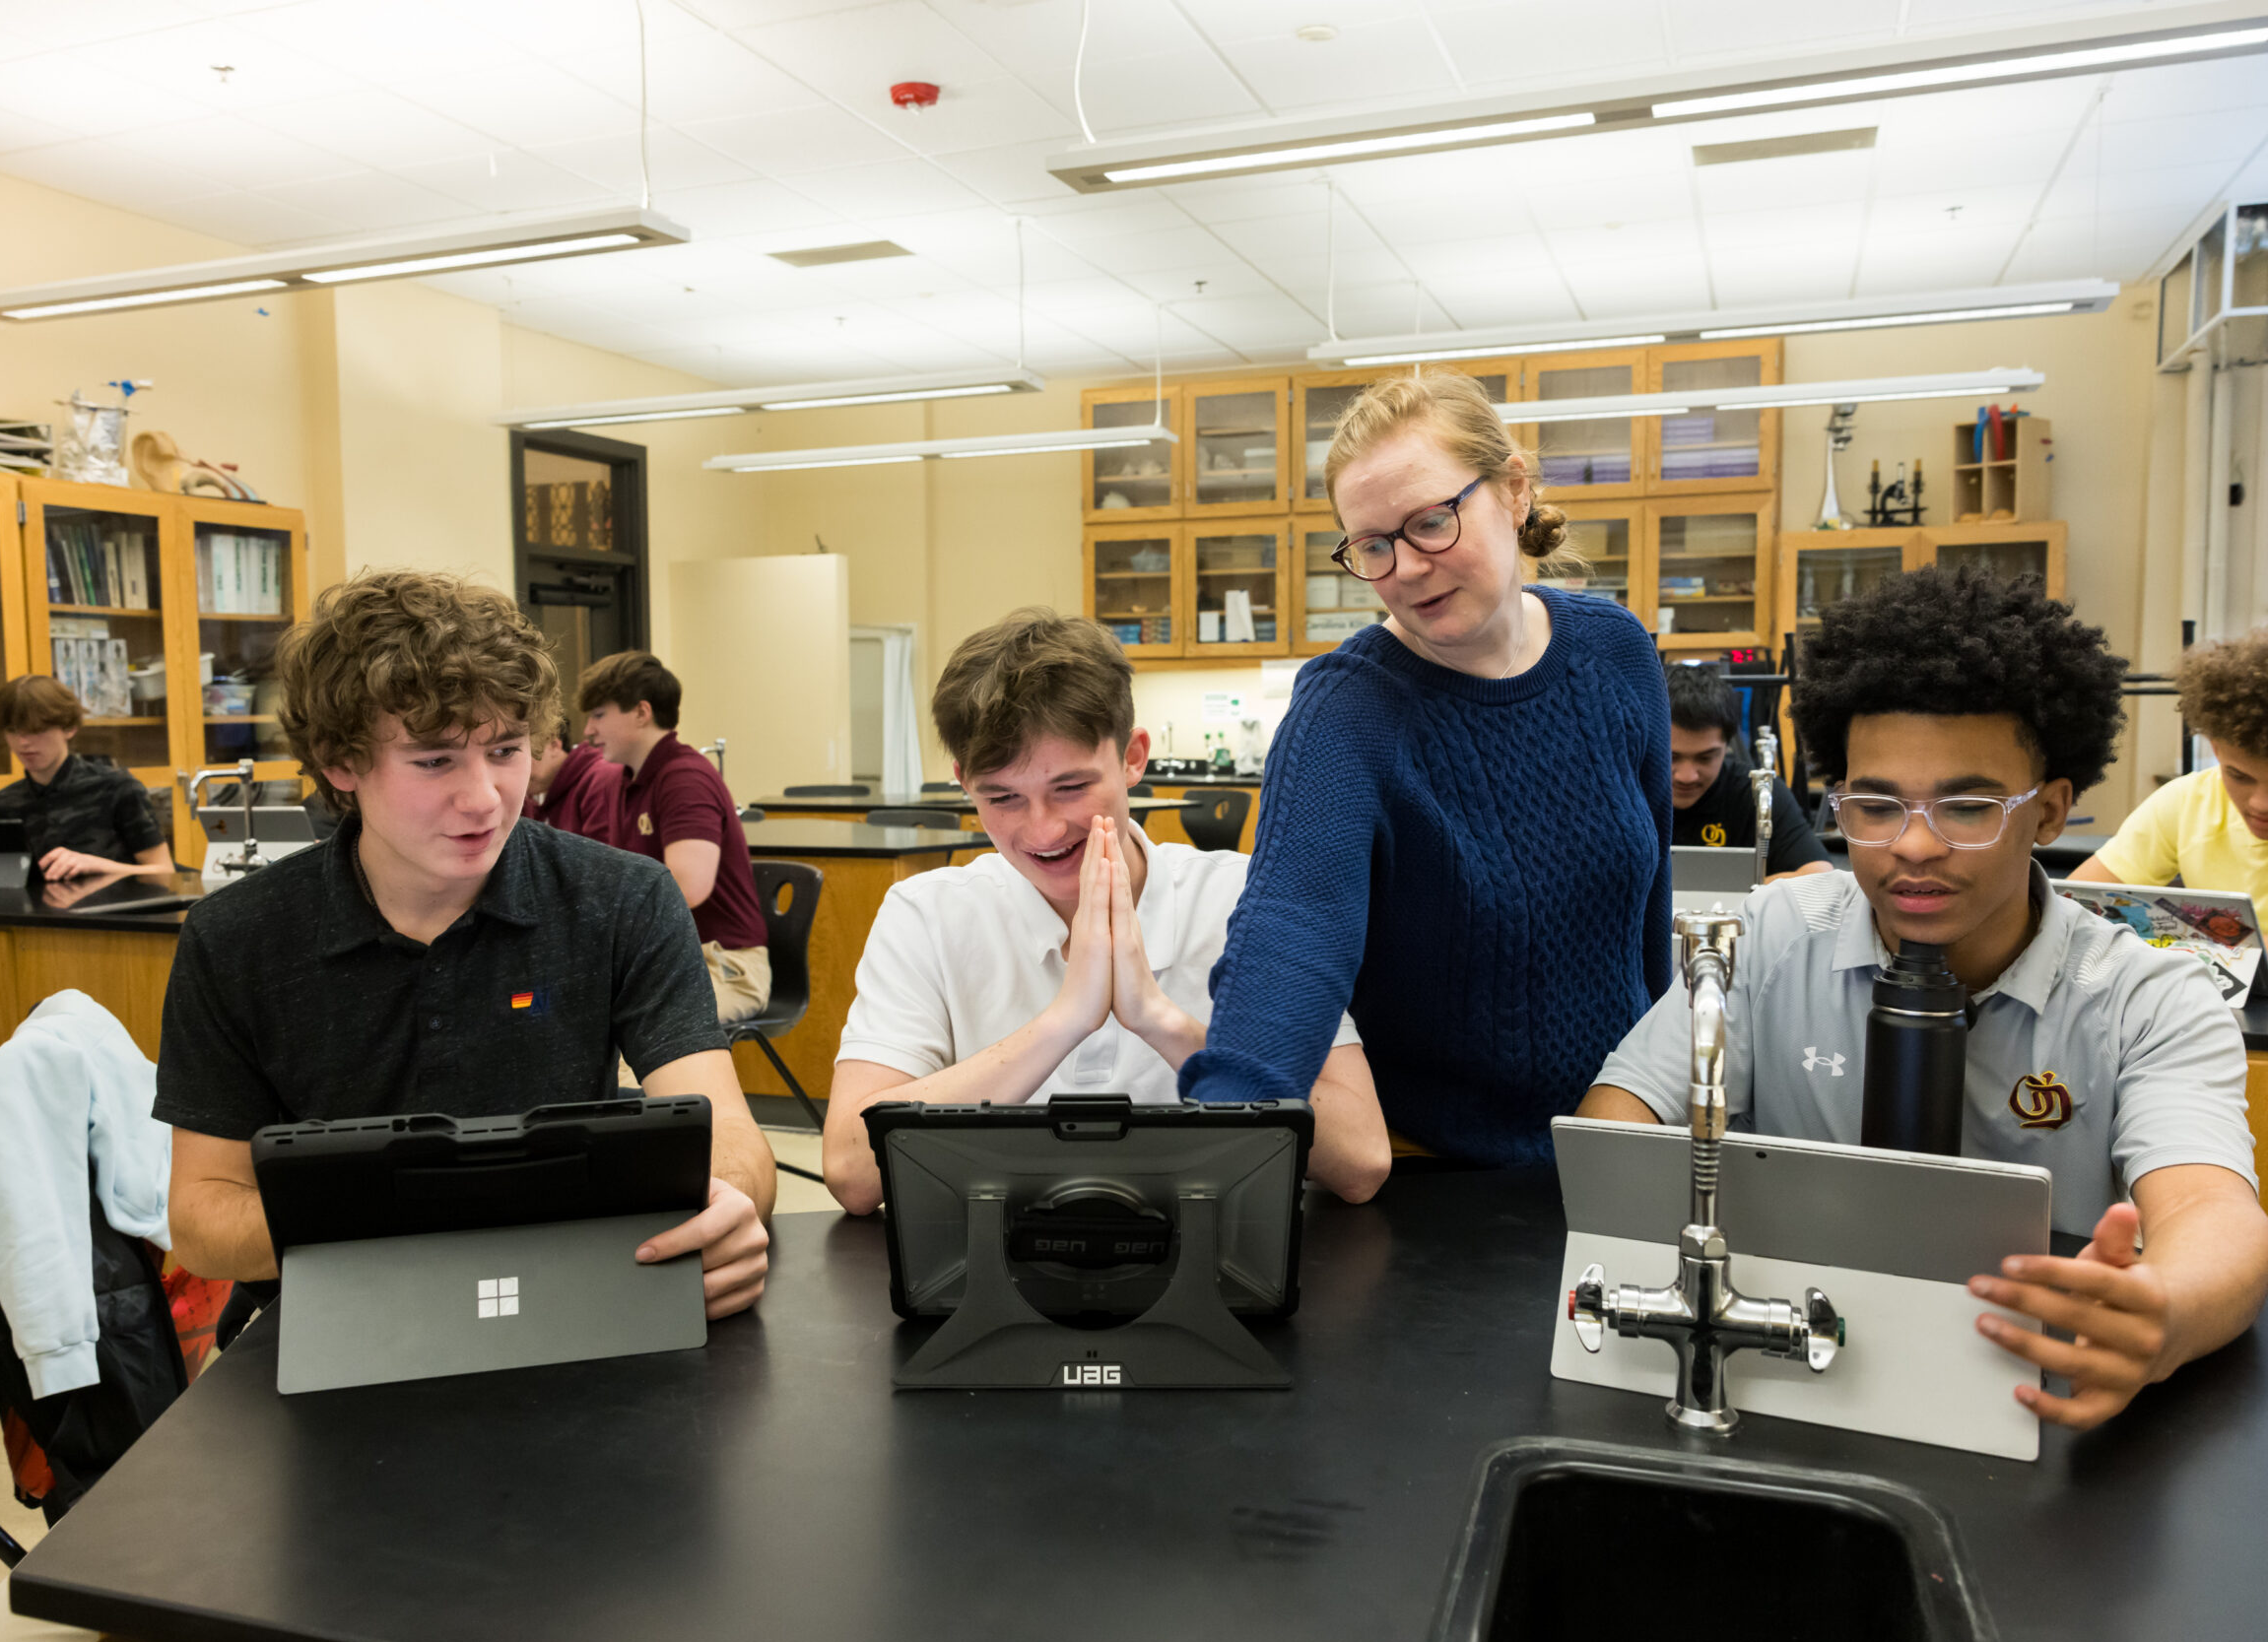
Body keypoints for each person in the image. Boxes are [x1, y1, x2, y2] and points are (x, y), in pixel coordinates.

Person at [0, 573, 775, 1642]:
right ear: (340, 764)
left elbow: (736, 1144)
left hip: (579, 1342)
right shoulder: (239, 939)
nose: (486, 795)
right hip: (322, 1358)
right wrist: (425, 1223)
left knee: (652, 1624)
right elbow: (204, 1217)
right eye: (435, 760)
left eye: (509, 748)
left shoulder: (620, 899)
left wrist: (732, 1205)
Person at [1578, 569, 2268, 1431]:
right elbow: (1619, 1124)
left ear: (2051, 811)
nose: (1913, 847)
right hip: (1790, 1381)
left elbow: (2212, 1212)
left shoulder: (2147, 999)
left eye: (1969, 806)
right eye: (1874, 805)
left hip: (2022, 1388)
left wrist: (2164, 1312)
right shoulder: (1766, 939)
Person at [1178, 368, 1672, 1166]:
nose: (1405, 567)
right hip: (1433, 1172)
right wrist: (1232, 1123)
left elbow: (1648, 919)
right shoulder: (1345, 711)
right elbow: (1291, 930)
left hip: (1616, 1147)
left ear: (1513, 491)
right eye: (1372, 545)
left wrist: (1661, 1095)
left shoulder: (1615, 652)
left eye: (1431, 522)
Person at [821, 611, 1388, 1214]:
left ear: (1133, 758)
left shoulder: (1245, 897)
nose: (1042, 829)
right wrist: (1065, 1020)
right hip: (992, 1260)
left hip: (1216, 1252)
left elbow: (1361, 1162)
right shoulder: (926, 913)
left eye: (1070, 787)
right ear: (963, 781)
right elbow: (853, 1171)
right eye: (1003, 797)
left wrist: (1160, 1021)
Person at [2069, 622, 2268, 989]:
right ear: (2216, 748)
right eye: (2239, 776)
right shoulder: (2184, 800)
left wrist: (2189, 944)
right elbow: (2070, 921)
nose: (2262, 802)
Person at [578, 651, 771, 1023]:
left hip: (725, 963)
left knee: (634, 1043)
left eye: (599, 715)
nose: (588, 730)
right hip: (667, 960)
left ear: (641, 712)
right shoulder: (628, 781)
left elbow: (687, 887)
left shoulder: (684, 778)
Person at [0, 675, 173, 881]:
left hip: (111, 910)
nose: (23, 742)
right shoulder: (0, 806)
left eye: (36, 730)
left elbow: (164, 872)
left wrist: (97, 865)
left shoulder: (117, 787)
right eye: (12, 731)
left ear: (69, 728)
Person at [1665, 662, 1832, 882]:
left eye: (1705, 758)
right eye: (1672, 757)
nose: (1686, 776)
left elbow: (1819, 875)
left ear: (1727, 745)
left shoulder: (1758, 793)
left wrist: (1726, 895)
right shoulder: (1622, 794)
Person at [525, 718, 620, 843]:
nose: (520, 768)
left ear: (554, 745)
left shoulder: (598, 779)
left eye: (528, 754)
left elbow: (604, 857)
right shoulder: (548, 793)